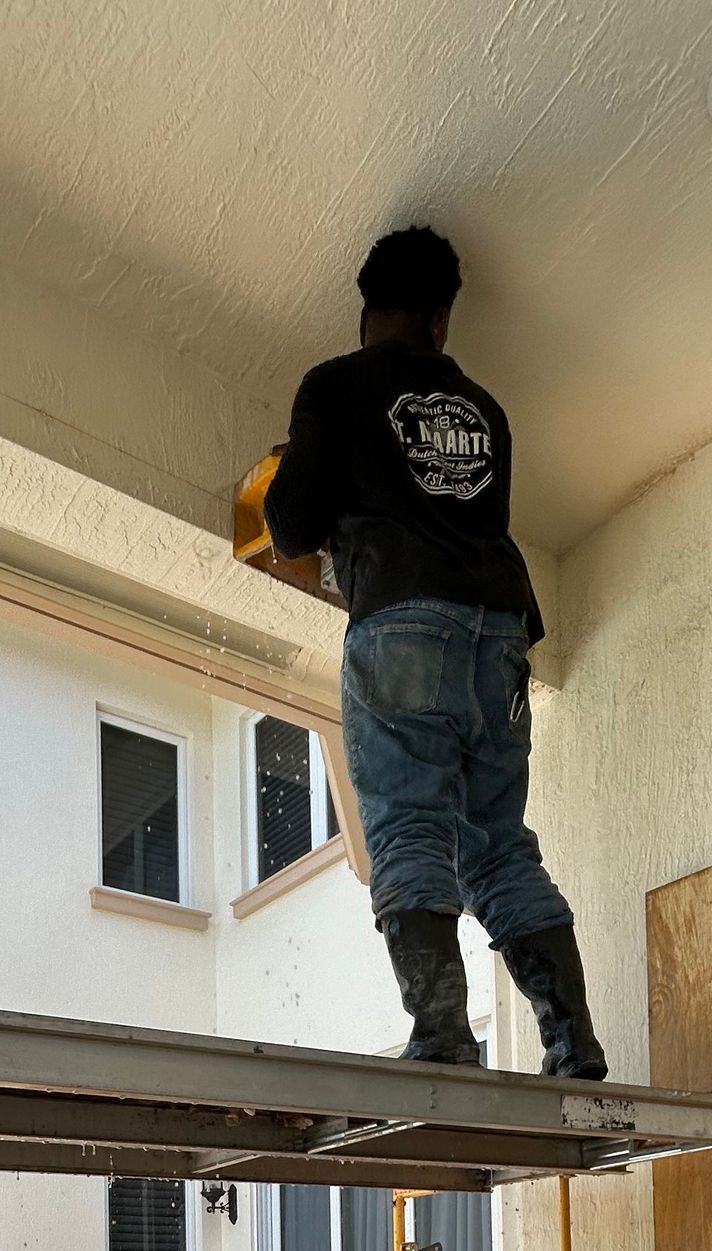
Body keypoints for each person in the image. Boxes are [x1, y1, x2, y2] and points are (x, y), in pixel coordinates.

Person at [264, 224, 606, 1079]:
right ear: (440, 321)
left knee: (409, 822)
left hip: (405, 620)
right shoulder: (485, 410)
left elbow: (292, 528)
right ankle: (573, 1043)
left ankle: (446, 1038)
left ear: (366, 312)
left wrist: (296, 469)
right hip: (500, 635)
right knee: (497, 843)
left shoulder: (335, 384)